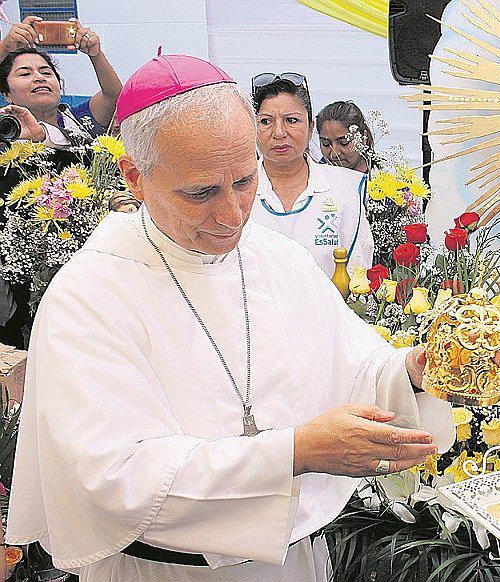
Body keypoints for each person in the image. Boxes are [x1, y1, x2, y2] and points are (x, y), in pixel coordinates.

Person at [6, 53, 454, 581]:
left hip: (295, 560)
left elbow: (356, 369)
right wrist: (292, 452)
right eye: (202, 193)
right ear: (135, 178)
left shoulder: (274, 257)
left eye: (244, 181)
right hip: (167, 572)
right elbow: (114, 473)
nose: (232, 214)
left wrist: (414, 373)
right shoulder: (90, 294)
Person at [249, 73, 374, 274]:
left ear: (310, 128)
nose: (279, 132)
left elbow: (359, 274)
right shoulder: (235, 190)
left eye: (291, 120)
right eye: (265, 121)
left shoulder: (347, 189)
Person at [0, 16, 122, 144]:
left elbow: (114, 96)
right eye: (25, 74)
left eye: (46, 72)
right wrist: (5, 47)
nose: (39, 77)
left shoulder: (79, 121)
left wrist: (95, 54)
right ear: (7, 94)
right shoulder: (4, 130)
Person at [315, 101, 376, 172]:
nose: (335, 153)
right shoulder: (315, 174)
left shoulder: (382, 177)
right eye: (326, 144)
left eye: (344, 142)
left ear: (363, 138)